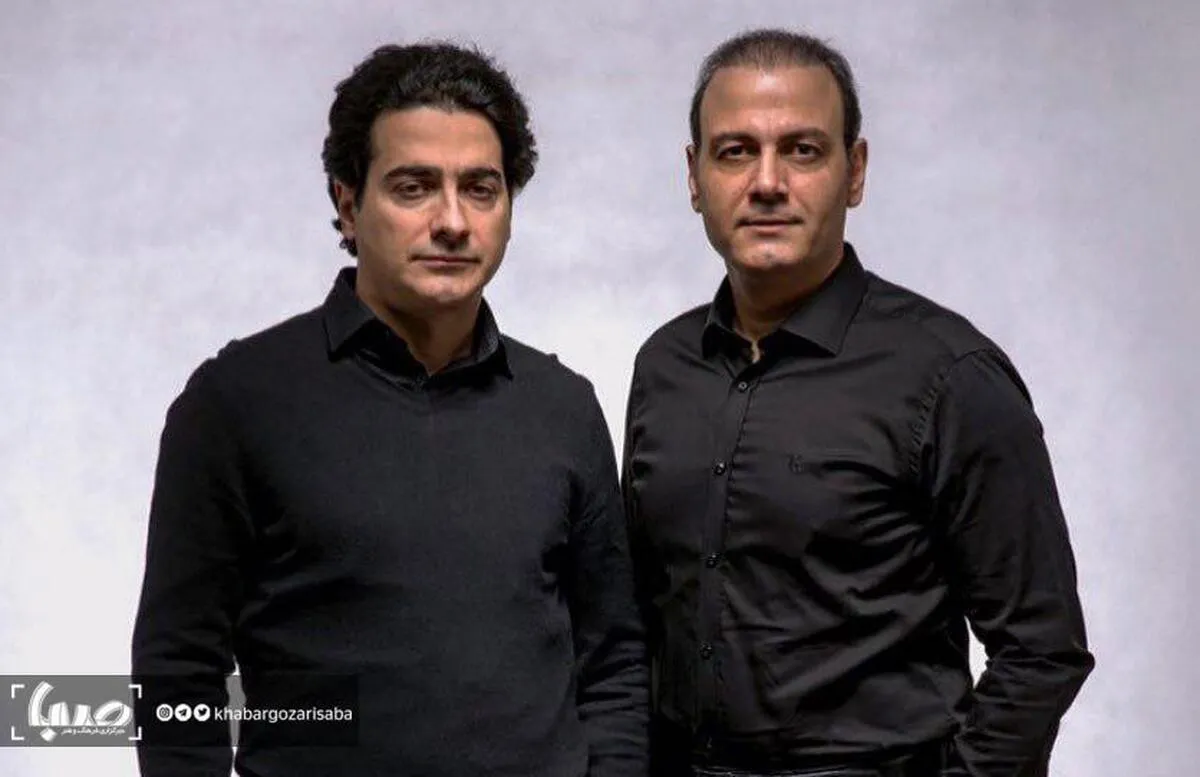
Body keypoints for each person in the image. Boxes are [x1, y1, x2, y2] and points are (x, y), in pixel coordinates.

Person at [132, 42, 648, 777]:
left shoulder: (562, 407)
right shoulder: (236, 402)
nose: (453, 221)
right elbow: (178, 672)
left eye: (481, 188)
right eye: (414, 187)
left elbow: (615, 664)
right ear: (348, 203)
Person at [622, 29, 1093, 777]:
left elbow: (1041, 650)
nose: (767, 182)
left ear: (855, 171)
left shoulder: (951, 376)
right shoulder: (664, 367)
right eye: (735, 151)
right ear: (695, 176)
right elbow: (639, 617)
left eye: (803, 150)